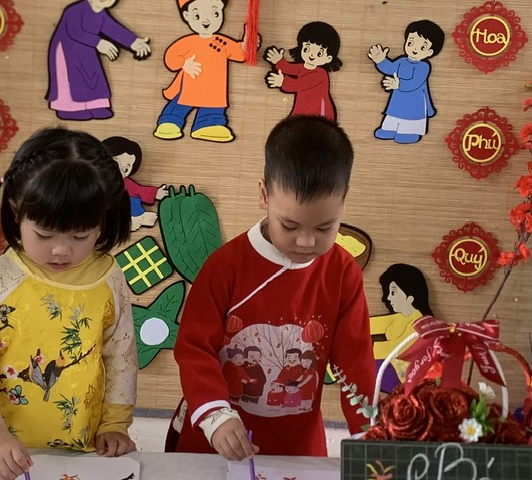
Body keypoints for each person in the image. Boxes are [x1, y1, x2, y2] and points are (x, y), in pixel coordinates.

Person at [167, 115, 375, 458]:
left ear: (343, 201)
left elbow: (356, 364)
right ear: (264, 194)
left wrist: (371, 433)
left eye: (325, 227)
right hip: (216, 439)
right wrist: (215, 415)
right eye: (289, 225)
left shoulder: (343, 273)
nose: (306, 241)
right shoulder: (226, 266)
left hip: (297, 445)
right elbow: (194, 348)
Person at [0, 127, 138, 480]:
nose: (61, 250)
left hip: (83, 450)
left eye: (80, 235)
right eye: (44, 234)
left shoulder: (109, 278)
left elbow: (122, 357)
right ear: (16, 211)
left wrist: (115, 425)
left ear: (103, 220)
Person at [45, 0, 151, 121]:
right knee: (72, 80)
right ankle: (68, 108)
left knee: (93, 76)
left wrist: (134, 42)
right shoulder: (74, 10)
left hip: (87, 51)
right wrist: (99, 43)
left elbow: (114, 29)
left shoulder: (101, 14)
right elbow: (75, 32)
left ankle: (96, 105)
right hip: (67, 52)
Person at [154, 0, 249, 143]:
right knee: (180, 103)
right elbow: (171, 58)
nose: (207, 21)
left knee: (213, 106)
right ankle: (169, 122)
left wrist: (248, 43)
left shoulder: (221, 42)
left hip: (214, 87)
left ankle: (208, 125)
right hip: (191, 83)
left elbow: (240, 53)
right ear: (187, 16)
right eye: (197, 15)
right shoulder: (188, 42)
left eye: (215, 14)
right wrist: (184, 64)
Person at [368, 19, 444, 144]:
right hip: (398, 99)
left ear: (430, 52)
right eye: (411, 43)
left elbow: (414, 83)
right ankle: (389, 129)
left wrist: (398, 84)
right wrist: (380, 60)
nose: (414, 48)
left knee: (410, 117)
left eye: (422, 47)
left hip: (415, 101)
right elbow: (390, 68)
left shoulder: (423, 67)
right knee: (394, 113)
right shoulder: (402, 61)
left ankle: (410, 132)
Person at [369, 263, 434, 395]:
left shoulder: (420, 324)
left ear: (410, 295)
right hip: (390, 370)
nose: (388, 298)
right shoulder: (401, 318)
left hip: (403, 381)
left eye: (393, 292)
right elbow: (369, 324)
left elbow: (391, 350)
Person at [264, 19, 342, 121]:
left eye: (319, 53)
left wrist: (282, 82)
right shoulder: (303, 67)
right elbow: (288, 68)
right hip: (303, 107)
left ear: (328, 58)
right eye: (307, 49)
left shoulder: (320, 74)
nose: (311, 55)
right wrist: (278, 61)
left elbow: (300, 84)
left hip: (319, 112)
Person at [102, 135, 168, 229]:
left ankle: (137, 217)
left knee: (131, 199)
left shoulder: (126, 184)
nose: (120, 171)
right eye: (115, 164)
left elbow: (139, 190)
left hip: (122, 212)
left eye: (125, 169)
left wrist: (156, 193)